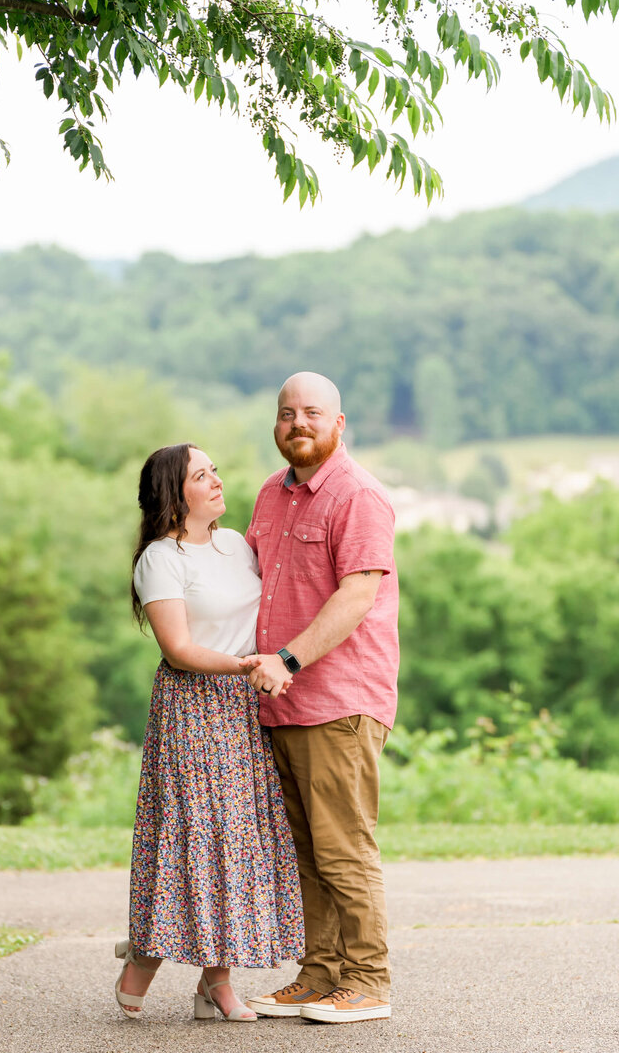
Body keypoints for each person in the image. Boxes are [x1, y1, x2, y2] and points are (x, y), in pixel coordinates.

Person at [114, 442, 304, 1022]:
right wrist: (249, 665)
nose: (218, 481)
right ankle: (145, 954)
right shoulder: (162, 559)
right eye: (203, 475)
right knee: (193, 837)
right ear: (177, 494)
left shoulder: (233, 545)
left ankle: (215, 981)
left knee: (239, 840)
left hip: (243, 710)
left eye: (215, 470)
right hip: (193, 707)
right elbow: (180, 648)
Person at [244, 371, 399, 1025]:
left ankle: (368, 980)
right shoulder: (269, 497)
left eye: (311, 412)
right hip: (279, 705)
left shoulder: (358, 496)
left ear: (340, 424)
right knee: (305, 852)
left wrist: (288, 658)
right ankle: (321, 974)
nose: (297, 423)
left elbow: (357, 595)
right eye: (286, 414)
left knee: (342, 848)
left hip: (337, 699)